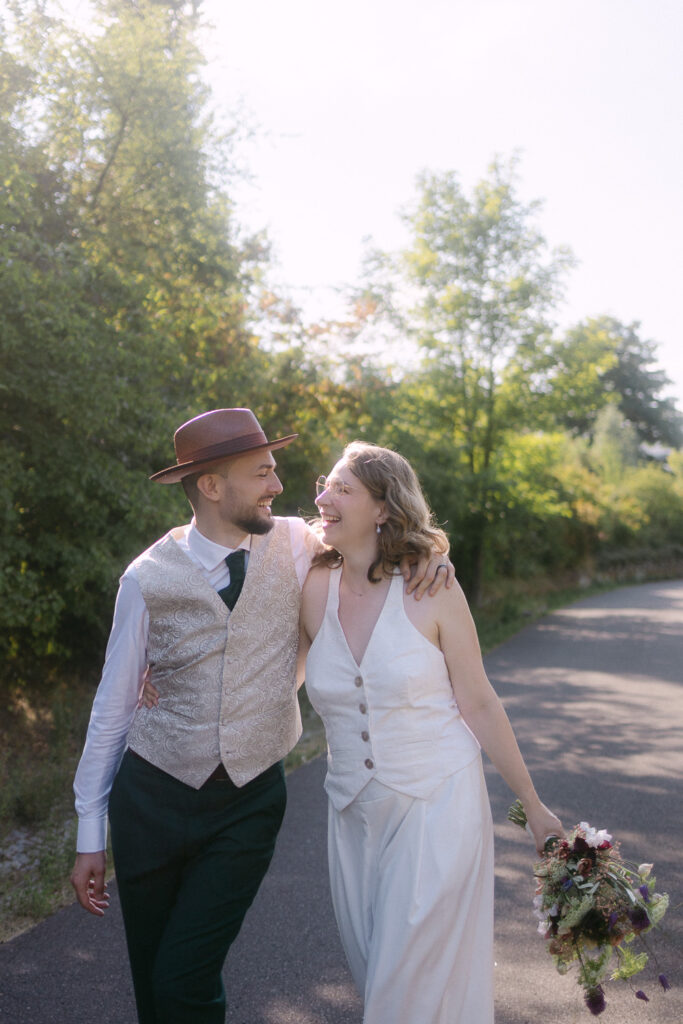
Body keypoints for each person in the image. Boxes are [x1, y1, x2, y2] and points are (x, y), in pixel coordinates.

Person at [70, 408, 452, 1024]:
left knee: (185, 976)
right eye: (262, 473)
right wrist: (90, 833)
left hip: (248, 802)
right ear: (212, 485)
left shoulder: (299, 543)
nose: (278, 485)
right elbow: (112, 709)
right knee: (153, 978)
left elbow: (380, 536)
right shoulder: (144, 579)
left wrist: (433, 553)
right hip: (151, 800)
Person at [300, 441, 563, 1024]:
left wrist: (533, 805)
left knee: (399, 996)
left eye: (342, 488)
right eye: (325, 484)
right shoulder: (310, 585)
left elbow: (479, 701)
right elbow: (272, 676)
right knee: (381, 979)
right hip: (351, 815)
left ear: (383, 508)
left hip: (437, 806)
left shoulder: (433, 589)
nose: (322, 498)